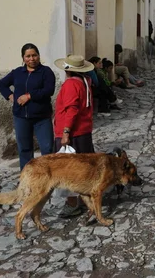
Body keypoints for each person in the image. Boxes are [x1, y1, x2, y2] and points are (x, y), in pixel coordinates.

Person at [0, 43, 55, 171]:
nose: (32, 59)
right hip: (21, 117)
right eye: (28, 56)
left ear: (39, 56)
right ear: (23, 58)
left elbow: (49, 90)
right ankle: (26, 177)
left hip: (42, 117)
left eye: (34, 55)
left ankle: (50, 176)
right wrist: (10, 96)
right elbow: (1, 84)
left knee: (47, 148)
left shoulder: (46, 72)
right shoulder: (17, 72)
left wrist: (29, 96)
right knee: (24, 149)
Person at [53, 54, 95, 217]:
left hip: (73, 132)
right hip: (83, 131)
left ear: (67, 70)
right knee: (84, 168)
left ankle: (72, 204)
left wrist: (65, 132)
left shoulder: (71, 84)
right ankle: (88, 201)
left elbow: (71, 109)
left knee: (69, 171)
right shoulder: (85, 82)